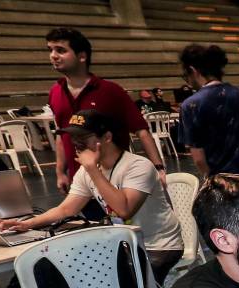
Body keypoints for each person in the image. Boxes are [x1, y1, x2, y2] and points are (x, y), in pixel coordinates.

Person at [0, 110, 184, 285]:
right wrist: (26, 224)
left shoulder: (137, 166)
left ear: (107, 137)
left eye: (83, 138)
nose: (77, 144)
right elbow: (66, 209)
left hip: (158, 246)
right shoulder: (88, 170)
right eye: (74, 138)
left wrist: (92, 169)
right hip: (124, 244)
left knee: (119, 287)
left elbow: (125, 210)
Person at [45, 28, 165, 194]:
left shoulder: (110, 91)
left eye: (61, 50)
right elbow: (61, 135)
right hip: (80, 183)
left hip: (115, 180)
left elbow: (141, 131)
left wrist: (159, 168)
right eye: (50, 50)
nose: (53, 55)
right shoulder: (55, 92)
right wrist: (60, 172)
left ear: (82, 56)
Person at [178, 44, 239, 180]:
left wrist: (211, 180)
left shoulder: (191, 105)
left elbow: (199, 160)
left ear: (193, 70)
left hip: (227, 186)